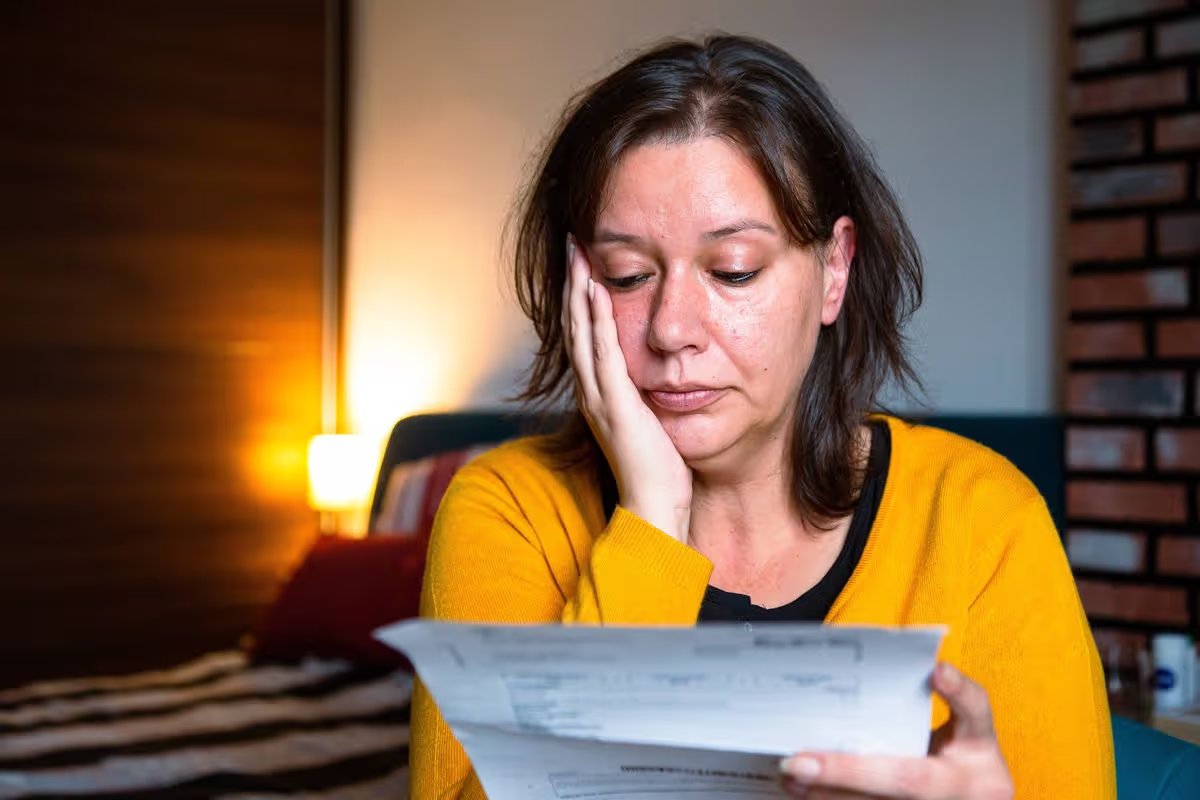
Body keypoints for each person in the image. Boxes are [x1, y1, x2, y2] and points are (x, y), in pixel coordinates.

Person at [409, 34, 1114, 799]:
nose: (672, 327)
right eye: (628, 275)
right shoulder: (507, 512)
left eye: (733, 270)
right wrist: (651, 525)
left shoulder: (981, 522)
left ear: (834, 269)